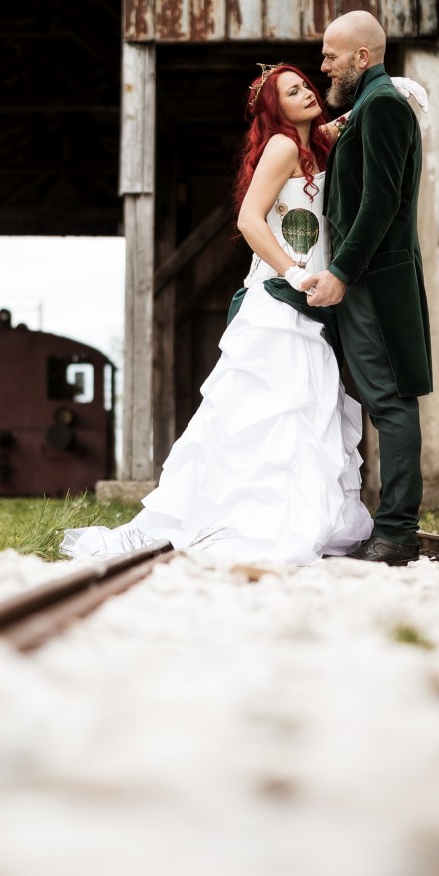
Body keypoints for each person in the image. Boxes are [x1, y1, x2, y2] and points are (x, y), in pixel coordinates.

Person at [61, 64, 373, 565]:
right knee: (275, 412)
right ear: (276, 109)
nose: (308, 93)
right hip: (278, 302)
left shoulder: (314, 145)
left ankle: (288, 516)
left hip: (310, 307)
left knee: (303, 410)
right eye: (293, 92)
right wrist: (293, 273)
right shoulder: (283, 147)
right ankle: (266, 520)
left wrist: (381, 95)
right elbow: (249, 218)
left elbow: (341, 125)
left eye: (307, 86)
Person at [304, 10, 432, 566]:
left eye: (332, 54)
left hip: (375, 282)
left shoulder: (381, 105)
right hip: (371, 279)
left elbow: (381, 202)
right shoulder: (372, 105)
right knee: (382, 399)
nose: (323, 64)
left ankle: (397, 531)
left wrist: (341, 272)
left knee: (390, 403)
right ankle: (386, 525)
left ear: (362, 56)